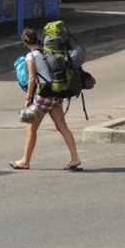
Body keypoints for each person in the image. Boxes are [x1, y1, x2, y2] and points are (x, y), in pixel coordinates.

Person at [10, 27, 82, 171]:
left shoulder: (31, 56)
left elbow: (31, 79)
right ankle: (75, 158)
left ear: (25, 42)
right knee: (62, 126)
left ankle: (25, 161)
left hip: (43, 95)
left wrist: (28, 98)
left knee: (31, 128)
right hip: (56, 92)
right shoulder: (47, 51)